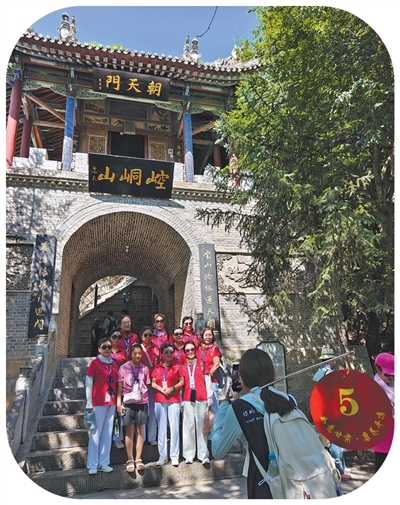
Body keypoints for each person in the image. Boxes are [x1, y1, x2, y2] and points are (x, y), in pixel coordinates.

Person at [212, 348, 302, 499]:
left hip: (262, 481)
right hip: (294, 478)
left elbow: (218, 450)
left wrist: (224, 406)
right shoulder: (289, 400)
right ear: (272, 373)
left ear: (242, 378)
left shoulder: (240, 406)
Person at [312, 347, 351, 481]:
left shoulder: (321, 372)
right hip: (332, 409)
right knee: (336, 440)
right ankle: (338, 470)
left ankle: (342, 466)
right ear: (330, 359)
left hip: (328, 408)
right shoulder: (328, 372)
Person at [85, 337, 118, 474]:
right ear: (99, 349)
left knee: (107, 433)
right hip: (97, 402)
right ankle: (92, 464)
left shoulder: (114, 363)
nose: (107, 349)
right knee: (95, 433)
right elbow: (89, 383)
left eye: (109, 347)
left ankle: (104, 462)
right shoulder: (95, 363)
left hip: (112, 401)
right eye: (104, 347)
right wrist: (89, 402)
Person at [117, 343, 151, 473]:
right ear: (130, 354)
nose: (137, 356)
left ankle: (138, 458)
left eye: (139, 353)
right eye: (135, 353)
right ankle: (130, 459)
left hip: (142, 402)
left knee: (140, 431)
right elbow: (120, 387)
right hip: (128, 402)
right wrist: (118, 403)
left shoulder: (145, 368)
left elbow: (147, 384)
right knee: (129, 431)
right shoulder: (124, 368)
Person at [151, 342, 185, 466]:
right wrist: (162, 389)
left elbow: (182, 381)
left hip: (174, 399)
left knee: (174, 428)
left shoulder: (177, 367)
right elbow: (153, 383)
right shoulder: (157, 368)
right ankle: (163, 456)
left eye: (171, 352)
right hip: (160, 399)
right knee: (161, 428)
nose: (169, 354)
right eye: (166, 352)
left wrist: (172, 389)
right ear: (162, 354)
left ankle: (174, 456)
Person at [181, 340, 210, 465]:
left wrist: (210, 398)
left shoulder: (202, 364)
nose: (190, 352)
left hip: (201, 397)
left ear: (196, 349)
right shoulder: (182, 366)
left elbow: (208, 381)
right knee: (188, 427)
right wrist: (181, 401)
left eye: (192, 349)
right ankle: (189, 455)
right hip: (187, 399)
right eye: (187, 350)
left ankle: (203, 455)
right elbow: (181, 386)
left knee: (201, 427)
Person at [198, 327, 222, 439]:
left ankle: (216, 432)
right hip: (201, 381)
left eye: (210, 335)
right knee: (205, 406)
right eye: (206, 335)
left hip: (211, 380)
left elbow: (216, 364)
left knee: (214, 406)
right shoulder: (200, 349)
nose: (208, 337)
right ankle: (207, 430)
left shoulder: (215, 348)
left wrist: (208, 375)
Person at [372, 352, 394, 472]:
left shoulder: (394, 387)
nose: (391, 377)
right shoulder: (372, 389)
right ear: (377, 369)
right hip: (382, 442)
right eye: (387, 374)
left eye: (393, 375)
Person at [138, 325, 160, 446]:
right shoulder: (139, 348)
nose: (148, 337)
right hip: (142, 381)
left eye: (150, 335)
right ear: (141, 336)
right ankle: (142, 436)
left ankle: (152, 437)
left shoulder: (156, 348)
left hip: (154, 381)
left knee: (152, 409)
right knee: (142, 409)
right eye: (145, 335)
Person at [110, 331, 128, 449]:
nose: (116, 339)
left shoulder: (123, 352)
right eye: (114, 337)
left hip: (121, 384)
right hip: (108, 385)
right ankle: (107, 437)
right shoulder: (106, 350)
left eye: (119, 337)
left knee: (118, 413)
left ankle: (117, 437)